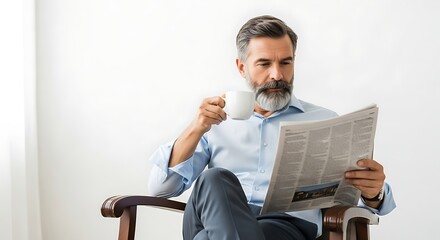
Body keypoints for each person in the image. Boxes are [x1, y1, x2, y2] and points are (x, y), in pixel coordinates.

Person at [148, 15, 396, 240]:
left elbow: (356, 195)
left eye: (285, 63)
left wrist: (374, 193)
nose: (277, 74)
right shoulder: (215, 121)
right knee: (215, 178)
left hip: (284, 227)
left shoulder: (324, 121)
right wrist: (196, 127)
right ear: (242, 67)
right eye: (264, 64)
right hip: (211, 219)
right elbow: (160, 189)